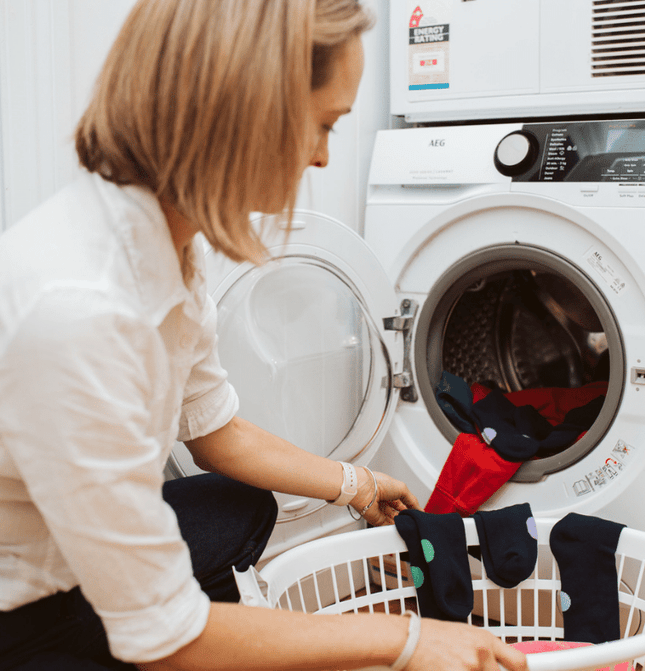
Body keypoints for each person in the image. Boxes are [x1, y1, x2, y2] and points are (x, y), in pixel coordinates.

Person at [0, 2, 529, 671]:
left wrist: (358, 484)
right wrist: (409, 639)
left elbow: (220, 434)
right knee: (169, 637)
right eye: (323, 124)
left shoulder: (167, 252)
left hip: (70, 555)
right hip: (19, 613)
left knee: (242, 506)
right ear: (244, 109)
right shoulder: (79, 312)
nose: (322, 154)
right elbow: (168, 639)